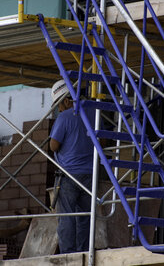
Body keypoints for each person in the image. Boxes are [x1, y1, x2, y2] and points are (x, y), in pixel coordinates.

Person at [49, 80, 96, 254]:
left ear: (67, 101)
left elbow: (54, 145)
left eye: (59, 105)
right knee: (85, 217)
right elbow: (103, 141)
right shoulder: (93, 113)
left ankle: (68, 254)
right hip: (90, 175)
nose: (59, 109)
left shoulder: (65, 116)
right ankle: (84, 251)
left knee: (67, 217)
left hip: (68, 174)